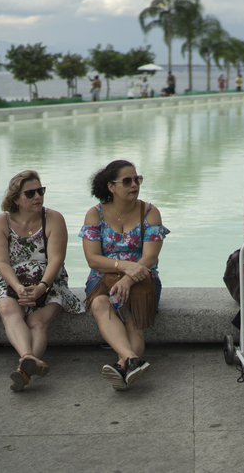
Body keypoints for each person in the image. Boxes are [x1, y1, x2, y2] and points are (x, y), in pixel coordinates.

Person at [0, 171, 85, 392]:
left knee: (37, 323)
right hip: (13, 281)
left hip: (49, 281)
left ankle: (24, 369)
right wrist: (18, 287)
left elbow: (57, 259)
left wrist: (42, 287)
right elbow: (1, 261)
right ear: (15, 199)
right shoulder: (1, 222)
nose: (37, 197)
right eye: (30, 193)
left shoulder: (53, 218)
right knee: (9, 311)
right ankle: (28, 359)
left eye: (40, 191)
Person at [79, 160, 170, 390]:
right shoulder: (95, 214)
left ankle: (122, 365)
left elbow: (149, 258)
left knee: (132, 318)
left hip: (142, 277)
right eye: (127, 181)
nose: (134, 185)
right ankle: (131, 360)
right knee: (100, 304)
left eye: (137, 179)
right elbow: (93, 259)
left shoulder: (149, 212)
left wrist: (129, 278)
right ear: (111, 187)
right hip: (102, 277)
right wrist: (123, 266)